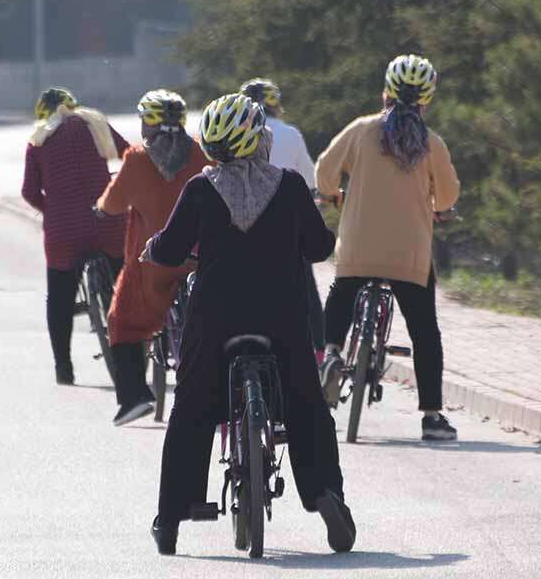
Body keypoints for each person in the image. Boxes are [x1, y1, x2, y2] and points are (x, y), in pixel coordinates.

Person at [143, 94, 354, 556]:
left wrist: (154, 246)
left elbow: (173, 251)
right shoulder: (291, 186)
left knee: (192, 408)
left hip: (214, 318)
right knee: (305, 403)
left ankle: (172, 518)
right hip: (281, 314)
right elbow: (320, 249)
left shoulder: (200, 189)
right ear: (258, 139)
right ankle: (325, 495)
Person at [316, 54, 461, 441]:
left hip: (358, 249)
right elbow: (447, 197)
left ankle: (330, 353)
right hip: (408, 257)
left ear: (385, 92)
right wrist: (439, 208)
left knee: (341, 294)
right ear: (426, 100)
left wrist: (333, 194)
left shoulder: (361, 131)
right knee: (425, 333)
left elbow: (324, 171)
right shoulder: (432, 143)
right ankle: (431, 417)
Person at [96, 90, 210, 426]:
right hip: (198, 260)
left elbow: (113, 204)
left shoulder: (137, 159)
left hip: (153, 264)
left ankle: (134, 397)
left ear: (151, 122)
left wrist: (100, 209)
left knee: (121, 321)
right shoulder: (201, 155)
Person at [22, 87, 130, 385]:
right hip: (106, 221)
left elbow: (29, 192)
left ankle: (64, 367)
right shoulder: (95, 123)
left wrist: (53, 209)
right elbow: (131, 158)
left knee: (59, 298)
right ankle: (131, 357)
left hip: (64, 230)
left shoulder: (38, 140)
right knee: (124, 287)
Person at [239, 78, 327, 362]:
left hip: (246, 221)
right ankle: (319, 351)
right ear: (276, 106)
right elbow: (310, 177)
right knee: (306, 285)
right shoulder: (290, 133)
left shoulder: (237, 132)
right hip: (288, 221)